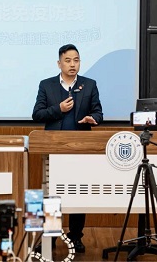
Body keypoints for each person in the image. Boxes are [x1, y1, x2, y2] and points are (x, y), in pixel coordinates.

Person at [32, 44, 103, 253]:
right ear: (59, 63)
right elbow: (37, 114)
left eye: (76, 60)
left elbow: (99, 112)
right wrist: (59, 109)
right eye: (68, 60)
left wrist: (93, 119)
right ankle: (51, 237)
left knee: (79, 193)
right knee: (52, 195)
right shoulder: (47, 85)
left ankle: (75, 237)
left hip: (81, 149)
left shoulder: (89, 85)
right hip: (54, 148)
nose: (73, 64)